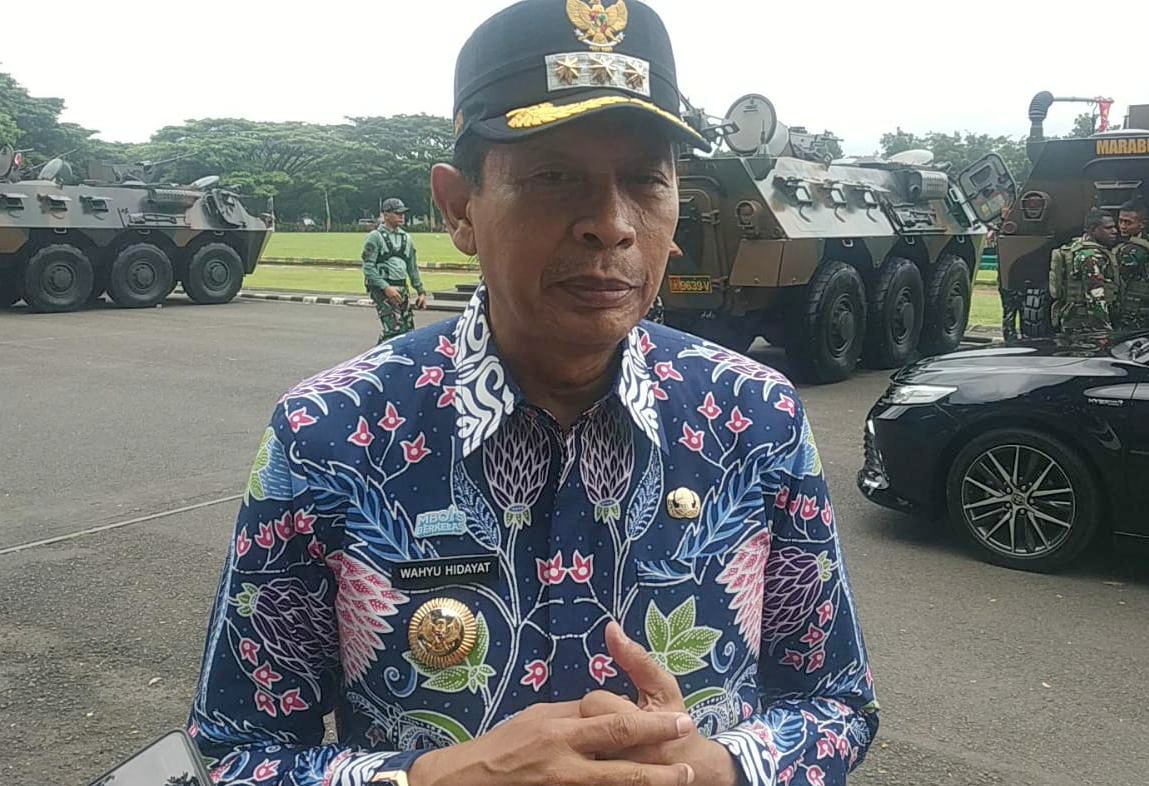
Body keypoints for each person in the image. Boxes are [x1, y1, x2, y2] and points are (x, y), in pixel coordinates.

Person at [188, 2, 878, 785]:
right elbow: (234, 752)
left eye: (645, 181)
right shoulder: (331, 433)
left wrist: (726, 767)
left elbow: (835, 701)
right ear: (460, 208)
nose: (610, 225)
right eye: (554, 177)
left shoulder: (755, 417)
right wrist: (433, 780)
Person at [362, 197, 427, 343]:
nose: (401, 216)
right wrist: (386, 288)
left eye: (402, 213)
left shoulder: (406, 238)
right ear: (386, 215)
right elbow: (368, 267)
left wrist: (421, 291)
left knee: (408, 332)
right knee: (393, 330)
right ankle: (379, 354)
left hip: (401, 287)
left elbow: (412, 267)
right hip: (383, 289)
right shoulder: (375, 237)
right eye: (397, 213)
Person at [1052, 208, 1120, 334]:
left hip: (1073, 318)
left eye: (1114, 227)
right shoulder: (1090, 256)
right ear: (1093, 230)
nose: (1115, 231)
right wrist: (1103, 330)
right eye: (1108, 228)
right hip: (1086, 323)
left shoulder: (1075, 246)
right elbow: (1096, 297)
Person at [1115, 200, 1149, 328]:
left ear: (1142, 224)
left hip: (1134, 310)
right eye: (1120, 221)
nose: (1122, 226)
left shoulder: (1133, 250)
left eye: (1128, 222)